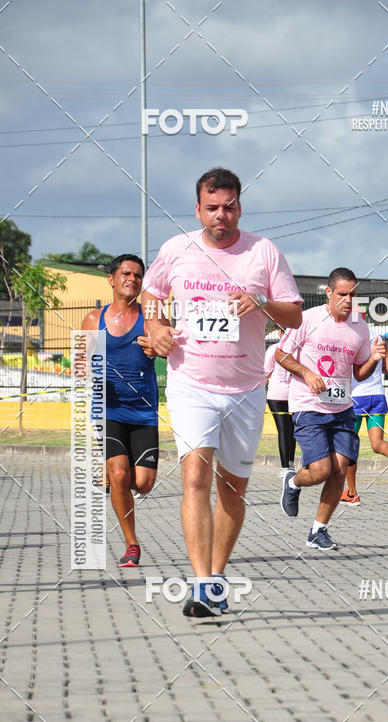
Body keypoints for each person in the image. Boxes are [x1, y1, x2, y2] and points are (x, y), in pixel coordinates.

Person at [141, 167, 302, 617]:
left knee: (232, 490)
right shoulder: (177, 249)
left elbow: (294, 317)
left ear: (239, 208)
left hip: (246, 388)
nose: (221, 215)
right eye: (212, 208)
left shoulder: (263, 253)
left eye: (228, 207)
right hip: (190, 382)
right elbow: (151, 294)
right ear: (198, 210)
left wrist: (263, 303)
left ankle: (216, 573)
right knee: (195, 477)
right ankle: (201, 583)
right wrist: (156, 326)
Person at [277, 267, 387, 550]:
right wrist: (307, 373)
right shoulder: (307, 319)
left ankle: (318, 530)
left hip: (341, 408)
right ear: (329, 292)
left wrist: (374, 358)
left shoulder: (359, 327)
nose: (349, 300)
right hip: (308, 405)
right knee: (321, 470)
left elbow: (359, 374)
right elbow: (281, 354)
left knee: (340, 470)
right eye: (342, 294)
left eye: (353, 294)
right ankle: (294, 482)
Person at [81, 254, 158, 567]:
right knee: (120, 472)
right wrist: (90, 376)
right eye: (126, 273)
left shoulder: (152, 316)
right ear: (111, 279)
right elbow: (81, 364)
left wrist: (158, 349)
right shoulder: (92, 320)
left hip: (144, 411)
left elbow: (172, 349)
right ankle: (131, 545)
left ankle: (113, 476)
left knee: (142, 483)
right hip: (107, 410)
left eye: (138, 275)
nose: (132, 279)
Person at [340, 322, 388, 505]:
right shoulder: (379, 337)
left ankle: (352, 493)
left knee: (349, 447)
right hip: (377, 396)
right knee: (377, 443)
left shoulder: (350, 338)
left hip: (356, 398)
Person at [265, 326, 296, 475]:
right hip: (293, 394)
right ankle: (289, 464)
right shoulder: (299, 349)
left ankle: (286, 467)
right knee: (291, 430)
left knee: (284, 430)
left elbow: (266, 371)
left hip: (276, 394)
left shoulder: (273, 349)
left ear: (279, 332)